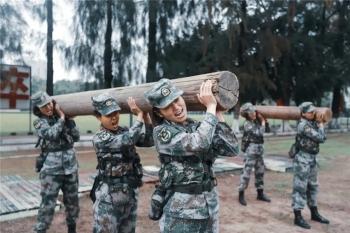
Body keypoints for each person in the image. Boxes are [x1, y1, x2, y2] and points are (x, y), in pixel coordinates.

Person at [145, 79, 239, 233]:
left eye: (177, 99)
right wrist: (210, 107)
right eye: (168, 106)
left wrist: (217, 114)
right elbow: (199, 143)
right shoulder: (163, 133)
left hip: (209, 206)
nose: (176, 107)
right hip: (182, 213)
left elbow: (232, 149)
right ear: (158, 112)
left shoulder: (196, 127)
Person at [91, 93, 154, 233]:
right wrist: (138, 117)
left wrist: (146, 118)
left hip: (129, 193)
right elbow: (127, 141)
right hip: (109, 197)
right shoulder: (100, 138)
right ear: (98, 117)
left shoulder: (124, 131)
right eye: (109, 115)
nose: (114, 118)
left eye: (116, 113)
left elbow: (149, 141)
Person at [31, 91, 80, 233]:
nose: (48, 108)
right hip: (51, 171)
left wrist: (68, 120)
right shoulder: (39, 122)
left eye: (49, 103)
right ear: (38, 109)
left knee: (72, 203)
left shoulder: (62, 118)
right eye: (43, 106)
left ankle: (72, 229)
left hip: (70, 167)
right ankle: (40, 230)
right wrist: (62, 118)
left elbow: (76, 136)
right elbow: (51, 135)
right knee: (47, 205)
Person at [292, 102, 329, 229]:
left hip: (312, 158)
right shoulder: (303, 125)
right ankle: (297, 216)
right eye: (310, 112)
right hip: (303, 158)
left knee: (313, 186)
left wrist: (320, 123)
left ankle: (314, 213)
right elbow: (321, 138)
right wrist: (321, 125)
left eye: (314, 111)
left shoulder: (312, 123)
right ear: (303, 113)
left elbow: (324, 137)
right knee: (300, 187)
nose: (313, 113)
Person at [237, 102, 271, 206]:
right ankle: (241, 193)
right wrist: (263, 123)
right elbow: (259, 133)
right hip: (251, 150)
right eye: (252, 111)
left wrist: (266, 122)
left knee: (260, 172)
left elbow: (267, 131)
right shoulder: (248, 124)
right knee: (246, 173)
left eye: (254, 111)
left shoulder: (256, 121)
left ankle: (260, 193)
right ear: (247, 113)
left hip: (260, 150)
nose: (254, 113)